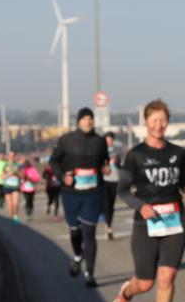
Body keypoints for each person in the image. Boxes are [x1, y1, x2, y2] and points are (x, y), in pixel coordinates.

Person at [110, 99, 185, 302]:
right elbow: (123, 190)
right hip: (146, 223)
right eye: (154, 120)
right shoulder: (135, 155)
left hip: (174, 221)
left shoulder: (178, 153)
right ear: (146, 122)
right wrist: (141, 206)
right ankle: (126, 292)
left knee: (167, 276)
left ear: (167, 122)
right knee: (145, 283)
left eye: (163, 120)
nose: (159, 125)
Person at [50, 107, 109, 288]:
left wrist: (105, 168)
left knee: (89, 234)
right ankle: (77, 256)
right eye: (84, 119)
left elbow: (104, 161)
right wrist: (62, 177)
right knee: (75, 231)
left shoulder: (100, 141)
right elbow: (53, 161)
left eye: (90, 119)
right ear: (78, 121)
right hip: (71, 193)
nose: (88, 122)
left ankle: (89, 274)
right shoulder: (66, 140)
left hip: (93, 192)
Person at [101, 132, 123, 240]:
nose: (109, 142)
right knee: (106, 204)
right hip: (104, 180)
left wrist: (117, 163)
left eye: (110, 140)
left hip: (115, 179)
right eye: (107, 140)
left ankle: (109, 224)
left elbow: (121, 166)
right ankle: (108, 226)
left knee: (111, 205)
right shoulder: (100, 151)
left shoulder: (117, 151)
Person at [1, 153, 22, 223]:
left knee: (15, 203)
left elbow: (22, 176)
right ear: (8, 157)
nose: (11, 157)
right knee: (10, 205)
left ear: (15, 156)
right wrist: (10, 173)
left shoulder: (18, 165)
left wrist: (17, 172)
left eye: (13, 155)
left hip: (16, 187)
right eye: (10, 155)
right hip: (7, 187)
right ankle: (11, 218)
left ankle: (16, 216)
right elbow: (2, 177)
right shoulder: (5, 165)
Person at [20, 156, 41, 221]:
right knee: (27, 200)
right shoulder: (23, 170)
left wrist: (31, 179)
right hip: (25, 188)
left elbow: (37, 178)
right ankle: (28, 212)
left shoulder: (33, 169)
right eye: (25, 164)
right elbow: (20, 177)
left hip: (32, 188)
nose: (26, 165)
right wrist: (23, 179)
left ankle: (30, 210)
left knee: (31, 201)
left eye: (27, 163)